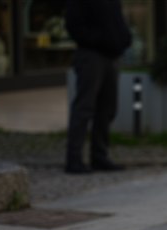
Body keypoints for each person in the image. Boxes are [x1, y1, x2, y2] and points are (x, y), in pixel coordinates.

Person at [64, 0, 132, 174]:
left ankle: (99, 156)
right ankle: (74, 159)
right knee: (84, 108)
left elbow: (117, 20)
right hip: (91, 55)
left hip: (112, 56)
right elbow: (73, 25)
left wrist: (124, 38)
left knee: (107, 109)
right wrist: (99, 40)